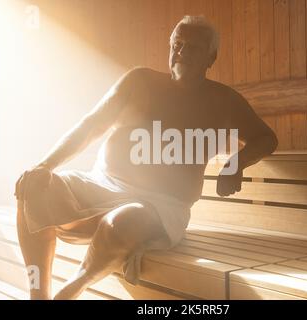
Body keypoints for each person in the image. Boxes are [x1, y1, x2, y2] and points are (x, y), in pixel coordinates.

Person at [14, 15, 278, 300]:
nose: (182, 51)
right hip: (102, 183)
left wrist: (235, 163)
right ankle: (38, 296)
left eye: (193, 47)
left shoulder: (224, 101)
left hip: (161, 206)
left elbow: (266, 138)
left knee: (121, 223)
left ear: (211, 57)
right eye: (177, 44)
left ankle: (69, 292)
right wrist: (45, 165)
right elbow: (91, 125)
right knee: (32, 186)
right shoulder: (140, 81)